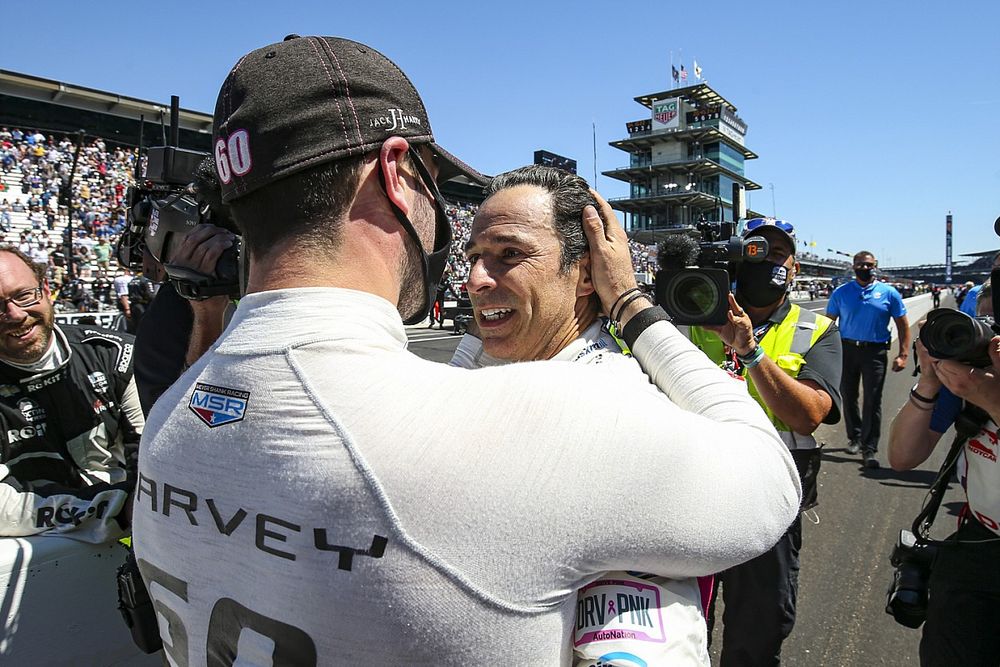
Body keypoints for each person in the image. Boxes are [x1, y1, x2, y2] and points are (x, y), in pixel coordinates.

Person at [132, 35, 800, 664]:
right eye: (430, 180)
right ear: (397, 173)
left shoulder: (171, 415)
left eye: (507, 255)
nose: (476, 276)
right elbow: (769, 481)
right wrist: (632, 304)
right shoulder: (560, 415)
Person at [451, 165, 715, 666]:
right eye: (475, 258)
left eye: (509, 255)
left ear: (583, 274)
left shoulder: (618, 413)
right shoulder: (497, 375)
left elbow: (639, 647)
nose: (475, 280)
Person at [687, 218, 842, 666]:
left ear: (793, 268)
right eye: (758, 251)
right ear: (738, 257)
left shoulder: (816, 327)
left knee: (757, 630)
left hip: (768, 503)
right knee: (680, 623)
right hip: (691, 494)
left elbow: (808, 416)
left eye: (779, 254)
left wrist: (750, 352)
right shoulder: (689, 311)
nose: (770, 261)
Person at [888, 279, 1000, 665]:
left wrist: (993, 400)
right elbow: (903, 456)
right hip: (981, 543)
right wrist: (930, 381)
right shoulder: (976, 377)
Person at [0, 246, 143, 542]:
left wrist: (129, 509)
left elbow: (150, 453)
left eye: (24, 295)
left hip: (128, 531)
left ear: (47, 289)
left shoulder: (115, 354)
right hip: (38, 552)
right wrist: (107, 510)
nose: (14, 315)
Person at [825, 250, 910, 468]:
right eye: (861, 265)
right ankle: (854, 437)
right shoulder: (841, 293)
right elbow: (826, 324)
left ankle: (869, 447)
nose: (865, 268)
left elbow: (902, 324)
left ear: (876, 265)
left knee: (873, 400)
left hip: (875, 353)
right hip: (847, 350)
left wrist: (903, 354)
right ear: (853, 267)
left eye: (869, 264)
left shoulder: (889, 293)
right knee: (848, 395)